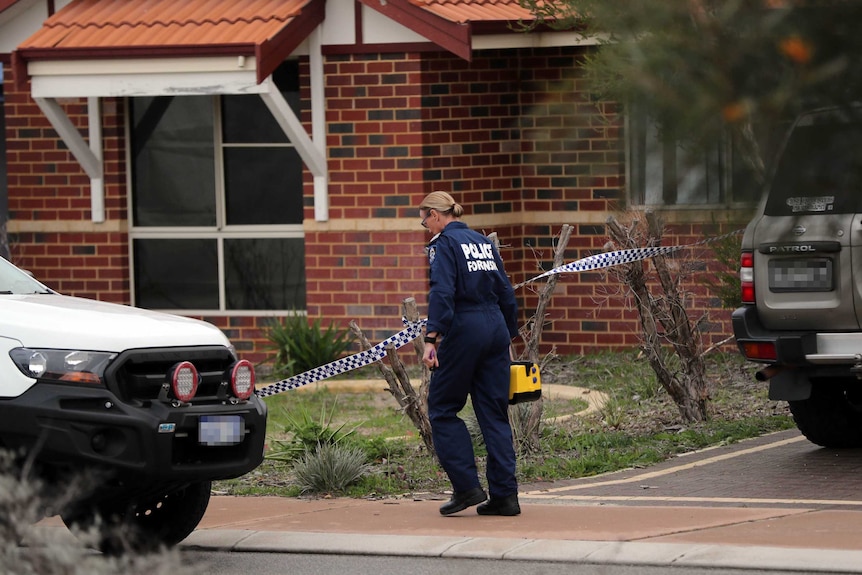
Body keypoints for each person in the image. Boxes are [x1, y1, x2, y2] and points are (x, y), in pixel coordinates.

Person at [418, 191, 521, 516]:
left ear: (436, 214)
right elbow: (505, 289)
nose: (425, 227)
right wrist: (507, 333)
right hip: (495, 327)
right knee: (494, 413)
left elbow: (443, 291)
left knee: (443, 408)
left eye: (424, 220)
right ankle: (505, 497)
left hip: (465, 327)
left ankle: (466, 488)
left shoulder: (444, 244)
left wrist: (432, 337)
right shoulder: (482, 242)